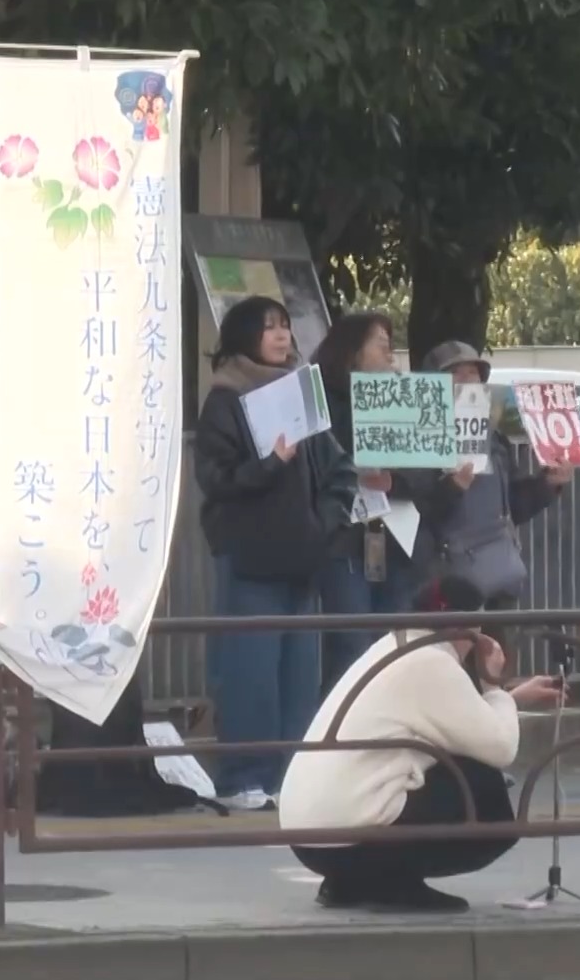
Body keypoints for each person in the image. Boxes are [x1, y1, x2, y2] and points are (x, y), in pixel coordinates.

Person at [278, 576, 567, 913]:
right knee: (482, 784)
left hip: (309, 840)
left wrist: (511, 699)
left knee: (452, 766)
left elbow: (455, 721)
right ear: (465, 627)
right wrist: (493, 686)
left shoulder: (394, 646)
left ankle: (350, 883)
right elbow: (500, 748)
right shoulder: (432, 662)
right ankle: (395, 884)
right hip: (349, 842)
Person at [194, 295, 355, 811]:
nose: (283, 336)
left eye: (285, 326)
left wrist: (324, 525)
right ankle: (243, 778)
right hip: (249, 560)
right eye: (269, 328)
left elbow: (339, 472)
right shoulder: (225, 400)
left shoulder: (301, 392)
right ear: (246, 337)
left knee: (298, 677)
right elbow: (215, 480)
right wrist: (270, 464)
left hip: (301, 559)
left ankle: (291, 778)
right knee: (250, 674)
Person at [310, 312, 429, 692]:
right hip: (346, 537)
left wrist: (396, 481)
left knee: (392, 643)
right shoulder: (323, 400)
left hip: (396, 535)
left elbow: (427, 469)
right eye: (381, 345)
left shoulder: (406, 398)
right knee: (351, 644)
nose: (390, 354)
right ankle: (342, 720)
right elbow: (321, 463)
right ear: (352, 352)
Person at [414, 342, 573, 609]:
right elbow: (415, 512)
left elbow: (512, 505)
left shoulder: (494, 440)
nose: (466, 381)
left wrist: (546, 484)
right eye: (455, 373)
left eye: (472, 373)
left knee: (500, 636)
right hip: (444, 585)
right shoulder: (417, 440)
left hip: (498, 574)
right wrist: (452, 488)